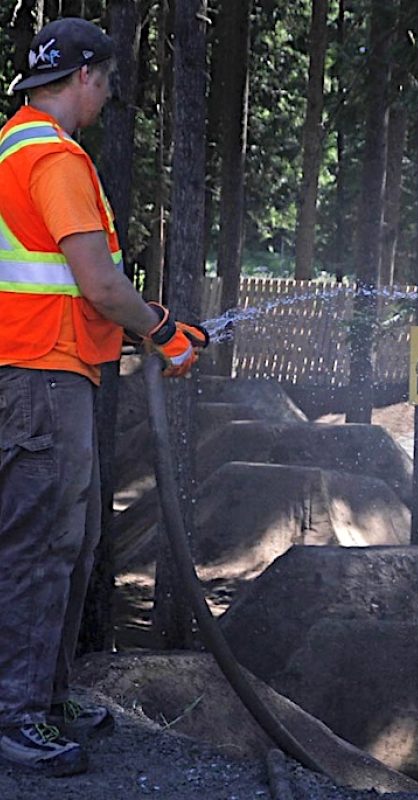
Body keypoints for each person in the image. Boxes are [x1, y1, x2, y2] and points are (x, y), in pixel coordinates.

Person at [0, 18, 208, 777]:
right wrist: (163, 331)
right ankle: (17, 716)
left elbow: (67, 287)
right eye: (109, 80)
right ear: (84, 75)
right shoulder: (52, 158)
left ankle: (44, 698)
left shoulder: (17, 143)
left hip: (49, 369)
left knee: (67, 545)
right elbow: (98, 282)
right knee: (40, 549)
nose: (110, 94)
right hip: (42, 377)